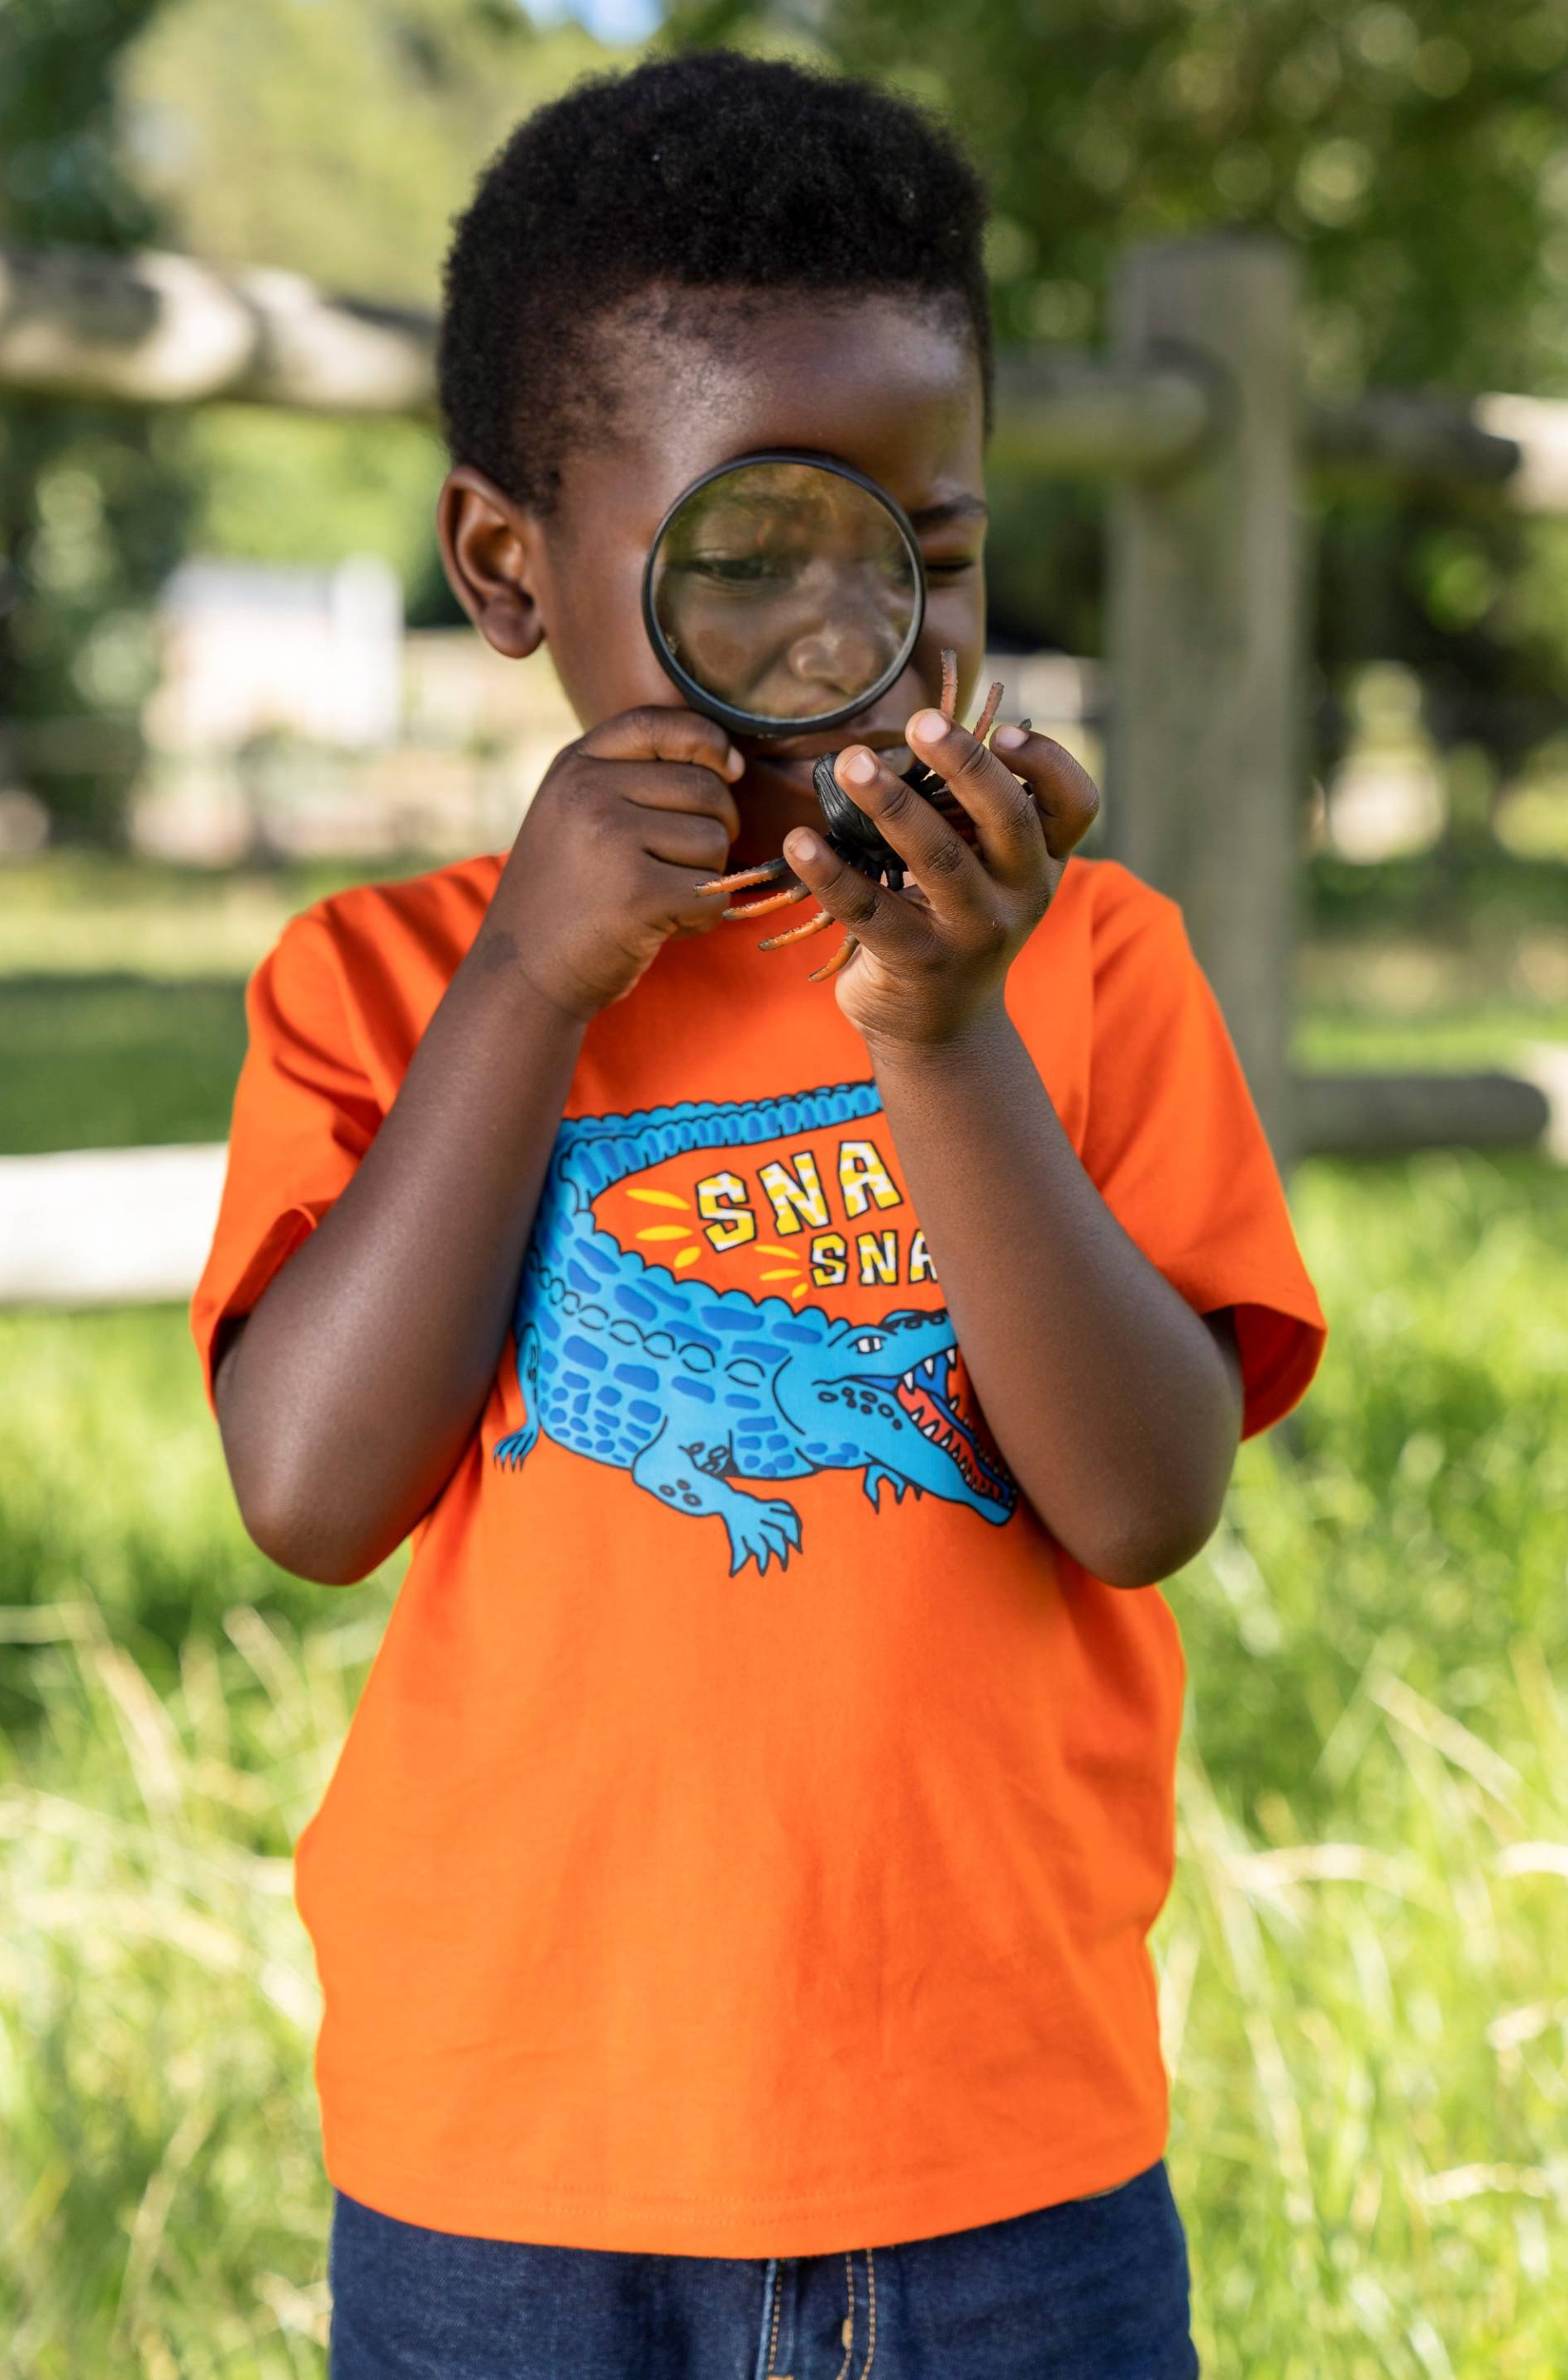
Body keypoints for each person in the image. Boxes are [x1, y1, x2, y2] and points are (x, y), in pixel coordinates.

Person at [190, 50, 1327, 2380]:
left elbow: (1142, 1501)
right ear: (510, 569)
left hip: (1002, 2168)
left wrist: (939, 1029)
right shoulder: (379, 987)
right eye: (762, 556)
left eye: (932, 558)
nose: (871, 642)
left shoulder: (1090, 973)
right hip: (503, 2167)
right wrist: (525, 981)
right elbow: (310, 1491)